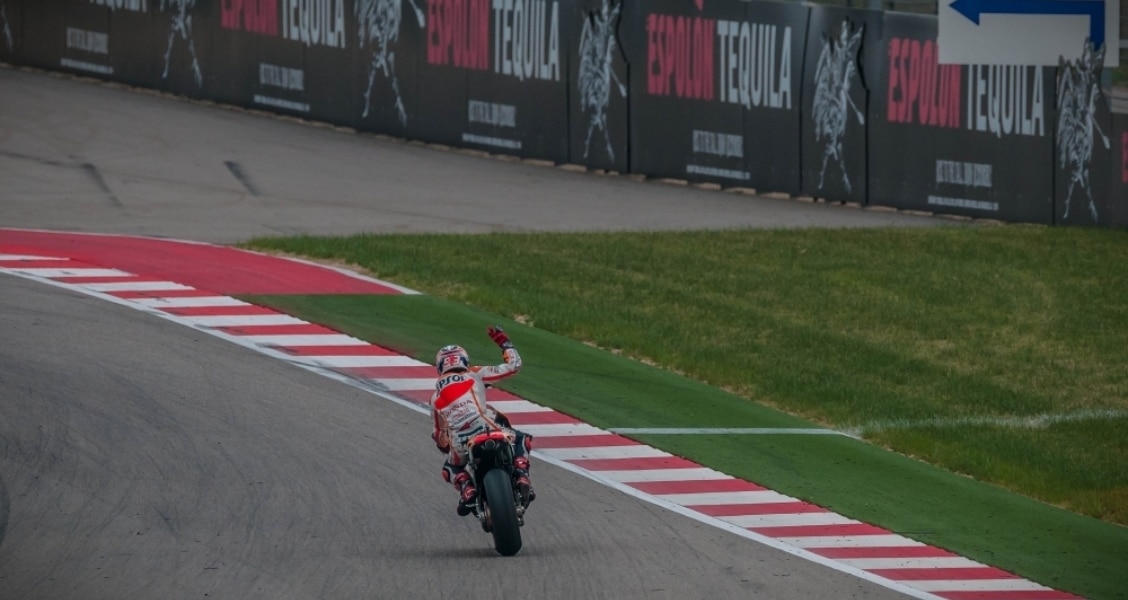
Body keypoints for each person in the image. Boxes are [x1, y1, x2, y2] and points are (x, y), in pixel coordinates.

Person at [431, 326, 535, 516]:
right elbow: (514, 365)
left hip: (461, 444)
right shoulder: (475, 373)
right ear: (464, 361)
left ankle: (467, 489)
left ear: (440, 367)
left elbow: (439, 436)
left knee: (449, 468)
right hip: (487, 428)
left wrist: (445, 445)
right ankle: (521, 474)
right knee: (521, 438)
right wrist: (505, 343)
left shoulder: (435, 397)